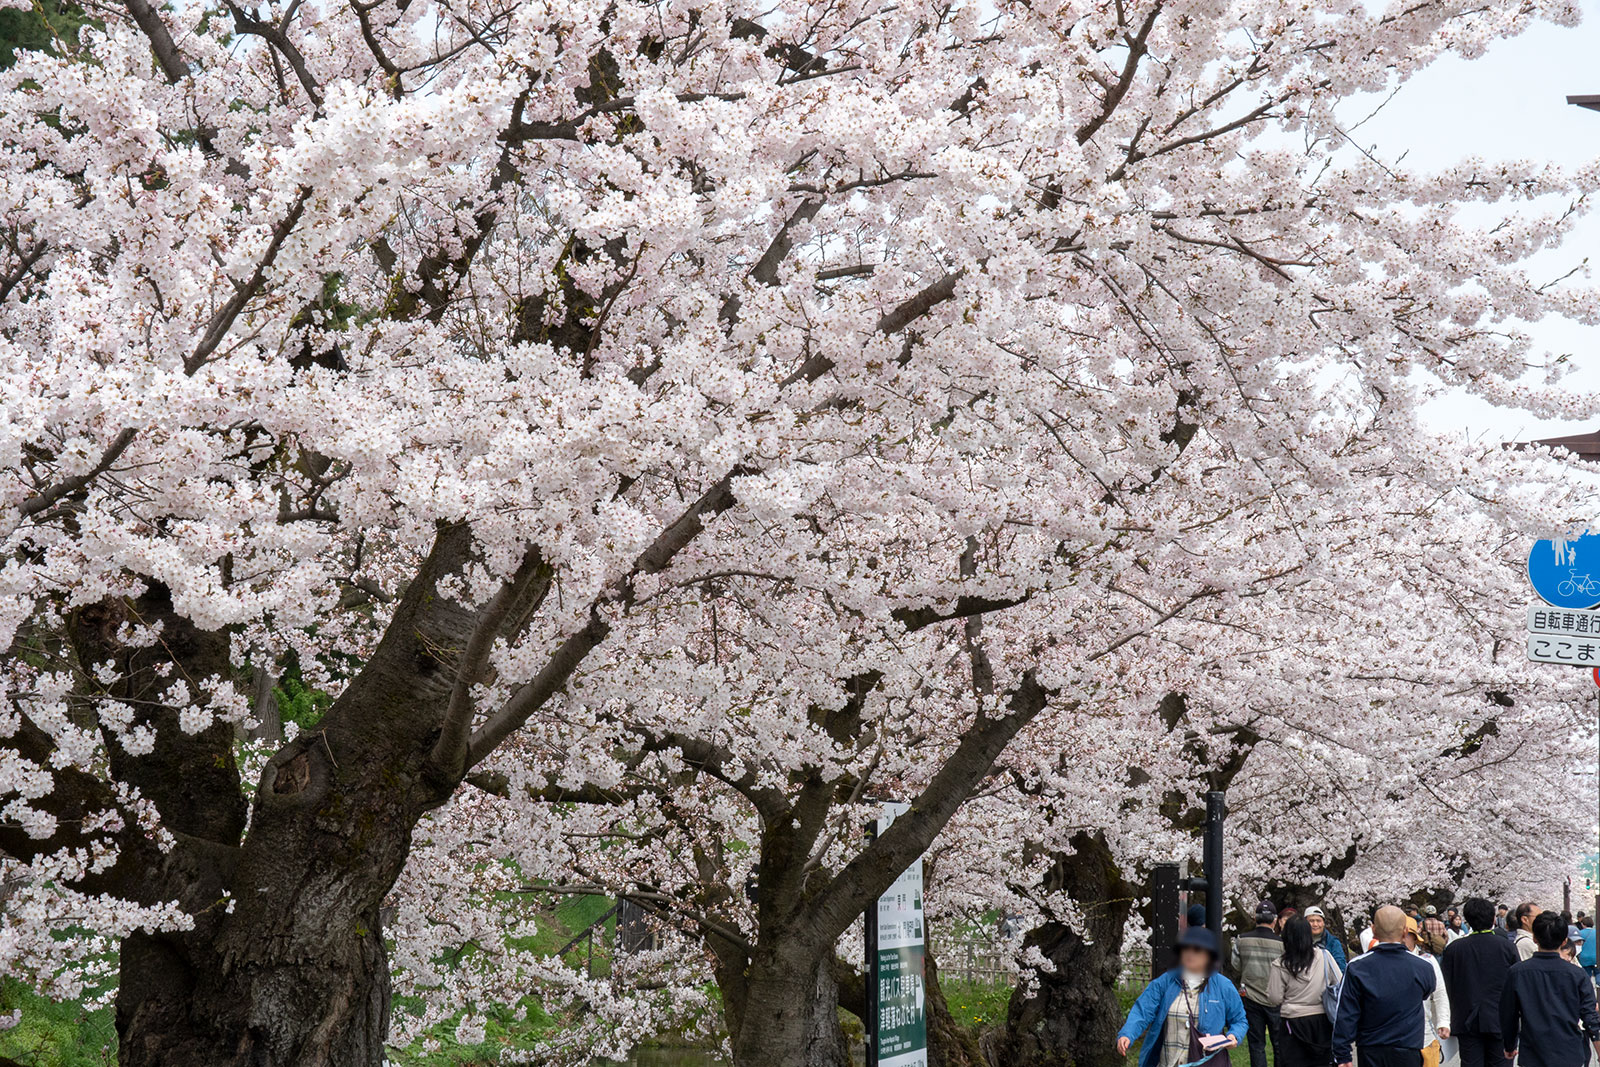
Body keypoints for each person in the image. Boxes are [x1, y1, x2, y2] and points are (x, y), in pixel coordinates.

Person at [1117, 927, 1248, 1067]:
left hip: (1207, 1062)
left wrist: (1234, 1036)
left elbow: (1239, 1020)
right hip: (1168, 1062)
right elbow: (1143, 1011)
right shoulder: (1166, 981)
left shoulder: (1223, 986)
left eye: (1197, 949)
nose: (1190, 953)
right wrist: (1127, 1034)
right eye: (1186, 948)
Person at [1333, 905, 1439, 1067]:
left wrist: (1342, 1053)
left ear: (1373, 931)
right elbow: (1426, 993)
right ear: (1405, 931)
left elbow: (1346, 1012)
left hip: (1370, 1048)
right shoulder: (1423, 966)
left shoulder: (1356, 967)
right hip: (1408, 1047)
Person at [1500, 910, 1600, 1067]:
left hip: (1533, 1052)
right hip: (1569, 1052)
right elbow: (1590, 1016)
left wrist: (1509, 1045)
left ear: (1534, 938)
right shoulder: (1577, 974)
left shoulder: (1517, 973)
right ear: (1564, 941)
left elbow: (1508, 1015)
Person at [1441, 897, 1521, 1067]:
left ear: (1467, 919)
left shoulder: (1454, 949)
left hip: (1466, 1018)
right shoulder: (1507, 947)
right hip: (1499, 1018)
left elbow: (1446, 985)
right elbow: (1515, 985)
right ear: (1493, 919)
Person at [1265, 915, 1342, 1067]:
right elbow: (1339, 982)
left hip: (1292, 1022)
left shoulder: (1280, 964)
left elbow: (1274, 998)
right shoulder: (1324, 956)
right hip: (1321, 1020)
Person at [1233, 900, 1286, 1067]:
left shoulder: (1242, 940)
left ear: (1255, 918)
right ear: (1275, 920)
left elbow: (1236, 965)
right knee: (1279, 1044)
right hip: (1276, 998)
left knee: (1256, 1045)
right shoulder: (1282, 944)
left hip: (1251, 997)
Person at [1403, 917, 1452, 1067]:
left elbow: (1440, 993)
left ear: (1414, 937)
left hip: (1425, 1034)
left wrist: (1443, 1021)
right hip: (1394, 1040)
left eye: (1405, 935)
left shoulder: (1427, 960)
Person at [1306, 906, 1349, 971]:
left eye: (1318, 921)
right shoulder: (1298, 941)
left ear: (1323, 923)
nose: (1315, 924)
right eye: (1311, 921)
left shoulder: (1333, 942)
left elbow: (1340, 967)